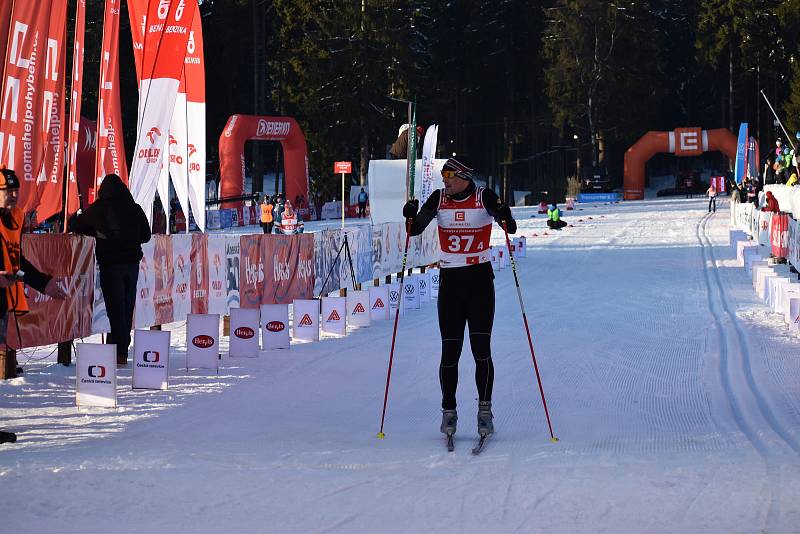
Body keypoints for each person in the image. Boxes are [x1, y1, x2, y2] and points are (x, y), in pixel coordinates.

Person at [402, 157, 516, 440]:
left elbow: (510, 228)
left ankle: (485, 413)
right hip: (451, 282)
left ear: (464, 176)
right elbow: (414, 229)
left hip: (479, 282)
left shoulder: (483, 196)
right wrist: (410, 213)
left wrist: (504, 212)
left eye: (450, 178)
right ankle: (448, 411)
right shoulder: (439, 198)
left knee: (481, 351)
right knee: (450, 352)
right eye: (443, 178)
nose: (446, 183)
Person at [0, 168, 67, 444]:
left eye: (16, 190)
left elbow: (18, 261)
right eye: (7, 191)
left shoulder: (13, 219)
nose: (14, 196)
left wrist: (44, 283)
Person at [69, 174, 151, 366]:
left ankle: (120, 352)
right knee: (127, 308)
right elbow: (146, 235)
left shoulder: (100, 208)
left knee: (115, 310)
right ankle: (120, 349)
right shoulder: (135, 208)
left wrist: (95, 231)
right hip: (132, 266)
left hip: (111, 266)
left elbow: (77, 225)